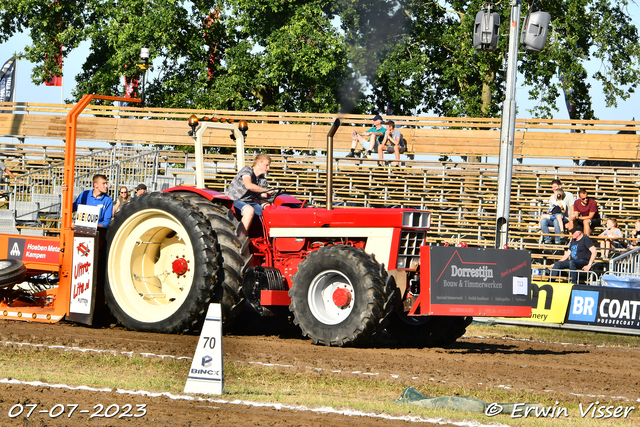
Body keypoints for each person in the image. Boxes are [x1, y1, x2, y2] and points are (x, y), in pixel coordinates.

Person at [225, 154, 274, 236]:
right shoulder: (247, 170)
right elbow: (249, 185)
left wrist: (269, 209)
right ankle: (240, 239)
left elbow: (263, 199)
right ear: (259, 163)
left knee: (266, 213)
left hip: (248, 202)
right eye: (266, 165)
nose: (268, 168)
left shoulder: (262, 180)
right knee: (249, 210)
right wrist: (268, 190)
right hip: (233, 200)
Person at [539, 179, 575, 244]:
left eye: (555, 187)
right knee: (543, 220)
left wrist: (571, 221)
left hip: (564, 218)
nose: (553, 189)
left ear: (560, 186)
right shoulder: (552, 198)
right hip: (554, 216)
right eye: (552, 187)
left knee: (557, 220)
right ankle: (547, 240)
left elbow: (572, 209)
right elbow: (551, 209)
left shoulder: (569, 195)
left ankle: (558, 240)